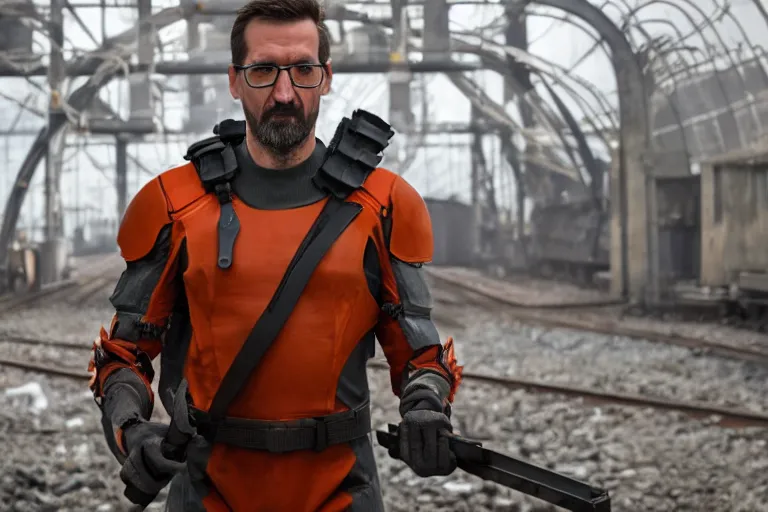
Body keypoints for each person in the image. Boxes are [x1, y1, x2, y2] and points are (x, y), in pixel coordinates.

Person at [87, 0, 463, 510]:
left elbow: (421, 357)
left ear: (325, 78)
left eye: (303, 70)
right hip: (208, 493)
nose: (285, 93)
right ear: (234, 80)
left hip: (342, 495)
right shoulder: (173, 205)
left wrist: (426, 408)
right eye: (264, 70)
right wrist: (130, 430)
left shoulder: (385, 206)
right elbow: (123, 357)